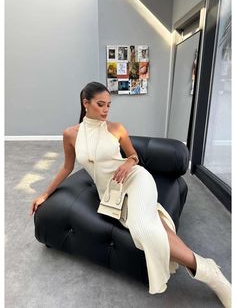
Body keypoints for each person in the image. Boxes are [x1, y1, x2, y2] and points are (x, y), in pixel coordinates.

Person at [29, 81, 231, 307]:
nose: (106, 110)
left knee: (144, 229)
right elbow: (66, 167)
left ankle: (212, 277)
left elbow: (134, 155)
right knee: (154, 227)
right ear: (86, 104)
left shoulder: (116, 128)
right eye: (100, 104)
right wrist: (45, 194)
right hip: (110, 194)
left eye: (109, 105)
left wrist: (129, 162)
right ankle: (208, 266)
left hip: (136, 180)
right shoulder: (70, 135)